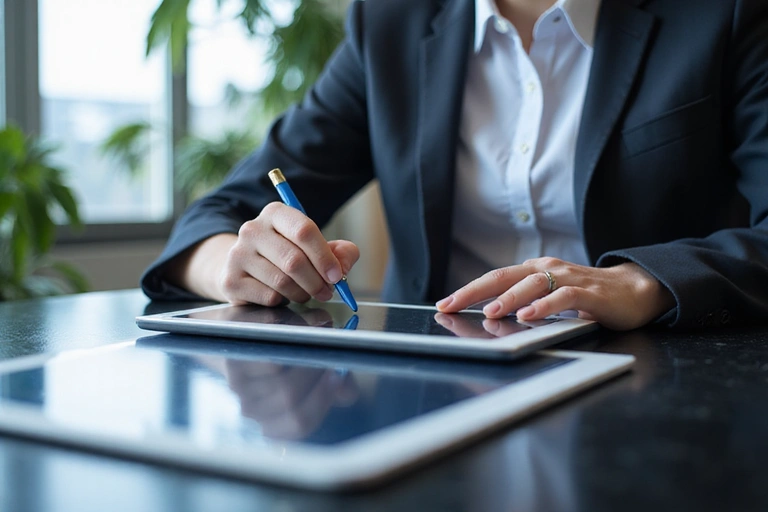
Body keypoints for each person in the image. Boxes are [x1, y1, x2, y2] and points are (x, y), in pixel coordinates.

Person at [142, 0, 768, 330]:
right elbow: (218, 214)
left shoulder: (728, 13)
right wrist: (236, 266)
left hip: (651, 375)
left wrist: (644, 283)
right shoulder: (391, 22)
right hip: (433, 387)